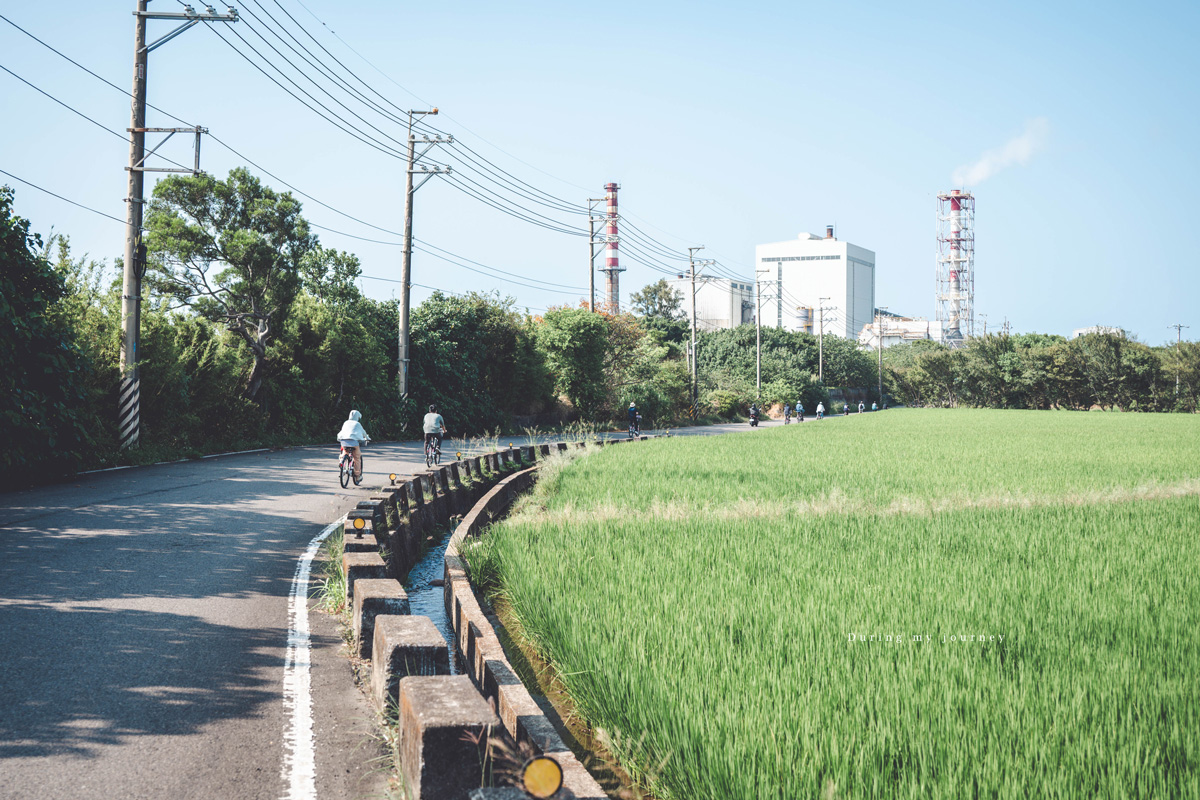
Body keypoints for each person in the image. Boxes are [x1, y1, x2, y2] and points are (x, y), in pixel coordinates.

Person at [336, 409, 371, 481]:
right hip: (354, 442)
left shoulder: (346, 422)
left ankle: (342, 462)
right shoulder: (357, 424)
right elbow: (363, 432)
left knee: (345, 452)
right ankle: (358, 476)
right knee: (357, 457)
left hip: (344, 441)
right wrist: (367, 438)